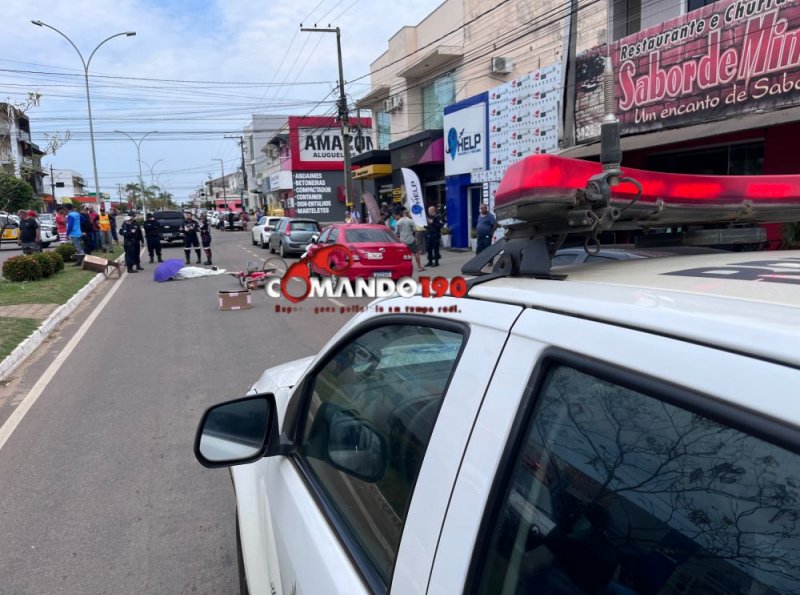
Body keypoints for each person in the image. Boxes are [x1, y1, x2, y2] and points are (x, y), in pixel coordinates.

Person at [396, 208, 424, 272]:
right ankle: (419, 267)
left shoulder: (398, 222)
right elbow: (414, 229)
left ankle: (402, 267)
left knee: (403, 255)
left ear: (402, 214)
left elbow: (396, 232)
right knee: (416, 252)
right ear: (408, 214)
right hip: (410, 239)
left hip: (402, 240)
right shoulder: (410, 221)